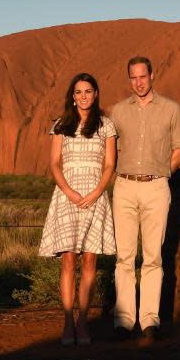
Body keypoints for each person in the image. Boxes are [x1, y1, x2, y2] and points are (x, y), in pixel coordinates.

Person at [110, 56, 180, 341]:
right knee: (125, 257)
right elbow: (110, 150)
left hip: (156, 186)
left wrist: (162, 174)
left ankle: (149, 320)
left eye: (142, 76)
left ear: (152, 75)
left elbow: (179, 148)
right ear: (129, 78)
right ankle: (124, 320)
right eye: (133, 77)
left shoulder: (171, 109)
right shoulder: (118, 112)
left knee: (153, 256)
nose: (138, 82)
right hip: (125, 186)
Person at [39, 73, 117, 346]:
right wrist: (70, 192)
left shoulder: (106, 126)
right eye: (78, 92)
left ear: (96, 94)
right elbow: (54, 164)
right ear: (72, 97)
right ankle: (68, 320)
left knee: (90, 262)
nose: (83, 96)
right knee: (69, 260)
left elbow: (109, 165)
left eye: (88, 91)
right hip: (67, 197)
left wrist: (96, 192)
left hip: (95, 197)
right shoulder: (61, 125)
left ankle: (83, 320)